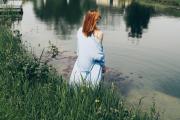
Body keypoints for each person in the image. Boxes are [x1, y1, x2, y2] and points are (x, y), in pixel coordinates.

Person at [69, 10, 106, 86]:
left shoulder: (80, 31)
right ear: (91, 20)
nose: (97, 23)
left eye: (98, 21)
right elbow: (99, 54)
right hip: (93, 62)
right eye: (97, 21)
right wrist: (103, 66)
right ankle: (92, 90)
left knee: (79, 63)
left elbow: (79, 50)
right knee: (98, 65)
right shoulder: (99, 33)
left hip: (81, 62)